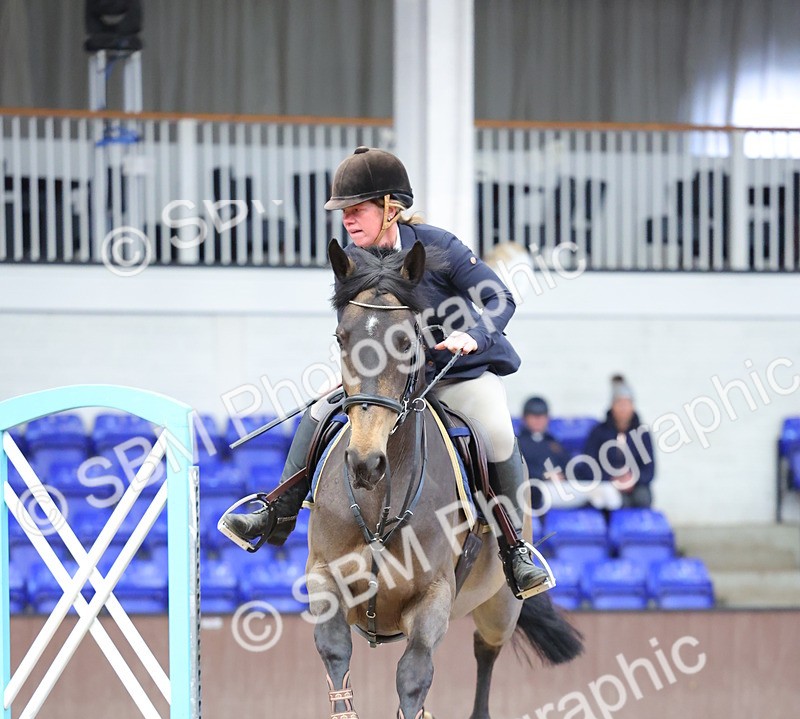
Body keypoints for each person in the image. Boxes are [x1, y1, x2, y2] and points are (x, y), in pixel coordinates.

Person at [219, 146, 554, 599]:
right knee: (318, 410)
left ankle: (514, 548)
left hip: (455, 372)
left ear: (390, 209)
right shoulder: (351, 261)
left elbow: (501, 299)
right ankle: (278, 508)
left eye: (357, 210)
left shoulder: (439, 247)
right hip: (388, 379)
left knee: (496, 430)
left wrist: (473, 334)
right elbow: (355, 329)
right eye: (343, 212)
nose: (347, 220)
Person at [576, 375, 655, 510]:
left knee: (642, 498)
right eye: (619, 403)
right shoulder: (599, 432)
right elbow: (588, 465)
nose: (623, 408)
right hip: (607, 485)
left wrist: (632, 479)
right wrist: (611, 479)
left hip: (635, 486)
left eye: (627, 404)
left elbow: (649, 469)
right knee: (614, 500)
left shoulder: (642, 434)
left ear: (633, 406)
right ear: (612, 406)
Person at [517, 395, 585, 513]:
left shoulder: (553, 443)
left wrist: (564, 476)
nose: (538, 420)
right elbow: (518, 472)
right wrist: (544, 476)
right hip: (536, 491)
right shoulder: (518, 443)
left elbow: (571, 467)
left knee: (594, 491)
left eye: (542, 416)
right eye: (533, 416)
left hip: (562, 487)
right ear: (525, 418)